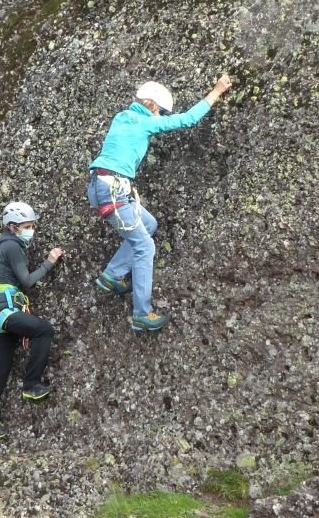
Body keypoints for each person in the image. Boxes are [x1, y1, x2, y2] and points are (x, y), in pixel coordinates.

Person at [87, 73, 233, 332]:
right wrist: (216, 92)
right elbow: (187, 120)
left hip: (105, 186)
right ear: (152, 105)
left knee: (149, 224)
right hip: (113, 189)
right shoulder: (143, 123)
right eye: (161, 111)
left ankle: (112, 275)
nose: (162, 117)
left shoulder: (122, 117)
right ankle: (142, 314)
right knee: (145, 247)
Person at [0, 201, 64, 441]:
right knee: (44, 330)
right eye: (27, 226)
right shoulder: (13, 246)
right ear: (13, 227)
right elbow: (26, 280)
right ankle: (31, 385)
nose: (31, 230)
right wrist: (50, 261)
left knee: (1, 365)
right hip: (6, 308)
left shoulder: (0, 247)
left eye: (32, 225)